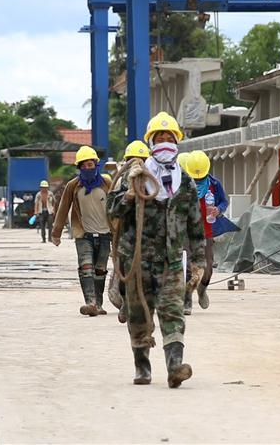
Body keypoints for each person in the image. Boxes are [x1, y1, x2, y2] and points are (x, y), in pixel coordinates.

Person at [107, 112, 205, 388]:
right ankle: (142, 367)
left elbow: (195, 226)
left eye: (169, 138)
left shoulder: (185, 182)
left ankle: (175, 367)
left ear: (177, 142)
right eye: (159, 138)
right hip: (137, 259)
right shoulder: (136, 176)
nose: (164, 142)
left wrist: (198, 262)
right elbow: (112, 211)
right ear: (150, 142)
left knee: (172, 312)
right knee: (139, 314)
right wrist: (127, 194)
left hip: (171, 261)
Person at [52, 146, 113, 317]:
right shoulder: (73, 186)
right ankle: (90, 302)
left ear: (96, 164)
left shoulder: (107, 182)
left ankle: (99, 304)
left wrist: (119, 232)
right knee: (86, 268)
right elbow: (63, 208)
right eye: (84, 165)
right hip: (83, 234)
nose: (88, 168)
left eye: (90, 164)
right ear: (79, 168)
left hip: (105, 233)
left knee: (100, 270)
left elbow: (117, 206)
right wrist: (56, 233)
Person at [181, 150, 229, 313]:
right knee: (187, 267)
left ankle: (202, 289)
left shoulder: (214, 185)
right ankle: (187, 301)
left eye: (200, 177)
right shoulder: (182, 185)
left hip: (206, 232)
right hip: (187, 233)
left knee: (207, 269)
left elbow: (224, 201)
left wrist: (219, 209)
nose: (198, 180)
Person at [109, 139, 151, 323]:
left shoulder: (154, 183)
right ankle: (125, 302)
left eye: (141, 159)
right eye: (133, 160)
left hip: (149, 239)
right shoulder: (120, 185)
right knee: (125, 277)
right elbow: (112, 210)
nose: (138, 163)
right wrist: (129, 195)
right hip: (126, 238)